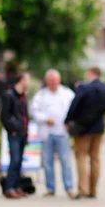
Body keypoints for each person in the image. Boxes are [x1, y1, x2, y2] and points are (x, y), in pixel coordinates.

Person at [65, 67, 105, 199]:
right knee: (95, 158)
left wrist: (68, 120)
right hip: (98, 128)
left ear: (90, 73)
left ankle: (83, 189)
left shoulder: (83, 87)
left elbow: (74, 105)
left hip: (83, 128)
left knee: (81, 157)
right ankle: (93, 190)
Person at [31, 70, 76, 199]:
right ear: (47, 82)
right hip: (47, 133)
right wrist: (45, 118)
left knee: (65, 161)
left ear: (59, 80)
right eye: (51, 81)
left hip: (62, 132)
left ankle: (69, 188)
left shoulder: (67, 94)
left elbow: (74, 109)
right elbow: (34, 111)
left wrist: (70, 123)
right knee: (47, 162)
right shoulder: (41, 95)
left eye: (55, 80)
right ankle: (50, 188)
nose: (53, 83)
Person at [0, 72, 31, 199]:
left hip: (23, 133)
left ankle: (17, 187)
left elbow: (24, 115)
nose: (29, 83)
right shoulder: (9, 95)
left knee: (19, 162)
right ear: (22, 80)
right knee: (15, 160)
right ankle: (9, 188)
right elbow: (4, 116)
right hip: (14, 133)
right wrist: (12, 129)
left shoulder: (23, 96)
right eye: (27, 80)